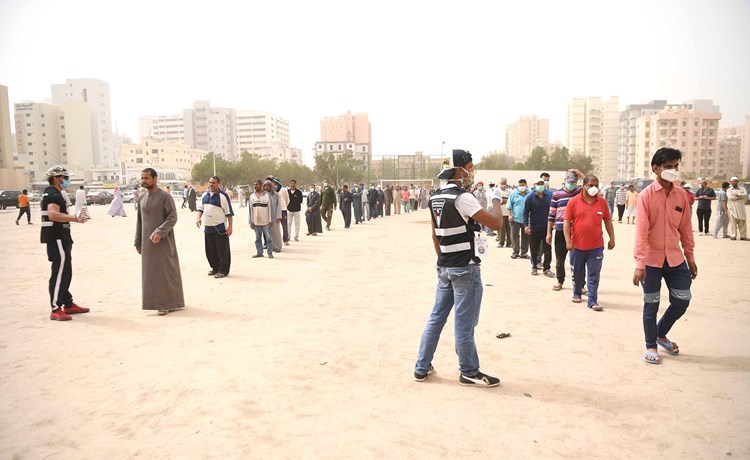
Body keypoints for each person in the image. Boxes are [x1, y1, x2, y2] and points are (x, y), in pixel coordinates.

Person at [414, 149, 503, 387]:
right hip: (465, 267)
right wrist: (496, 200)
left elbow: (435, 236)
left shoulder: (435, 197)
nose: (472, 172)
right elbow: (496, 223)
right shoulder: (463, 198)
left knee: (436, 318)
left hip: (445, 266)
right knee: (464, 324)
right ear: (459, 170)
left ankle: (422, 367)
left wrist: (445, 261)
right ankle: (469, 371)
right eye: (470, 167)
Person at [633, 148, 697, 364]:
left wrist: (690, 258)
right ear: (656, 168)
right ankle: (651, 345)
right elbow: (641, 232)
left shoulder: (681, 196)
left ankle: (661, 333)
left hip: (675, 259)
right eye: (668, 166)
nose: (673, 170)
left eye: (675, 166)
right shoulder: (645, 197)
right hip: (651, 261)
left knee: (682, 301)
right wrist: (640, 264)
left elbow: (686, 230)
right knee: (651, 304)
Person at [41, 166, 90, 321]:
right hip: (57, 238)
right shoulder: (53, 194)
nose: (67, 180)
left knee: (66, 271)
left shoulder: (57, 193)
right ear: (56, 178)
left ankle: (68, 303)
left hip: (62, 237)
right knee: (60, 272)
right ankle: (56, 308)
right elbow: (53, 214)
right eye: (65, 177)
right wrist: (74, 218)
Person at [134, 168, 185, 316]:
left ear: (155, 179)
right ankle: (153, 303)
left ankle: (166, 304)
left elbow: (172, 217)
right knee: (150, 274)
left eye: (146, 178)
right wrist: (138, 241)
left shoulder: (165, 197)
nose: (143, 181)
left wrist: (160, 231)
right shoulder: (141, 198)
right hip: (147, 243)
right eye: (142, 178)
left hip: (163, 241)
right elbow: (139, 221)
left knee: (165, 272)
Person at [564, 175, 615, 311]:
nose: (594, 188)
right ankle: (577, 293)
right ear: (584, 185)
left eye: (596, 185)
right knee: (577, 272)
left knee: (594, 275)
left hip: (596, 247)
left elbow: (608, 221)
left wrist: (612, 238)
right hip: (577, 246)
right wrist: (568, 240)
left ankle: (592, 300)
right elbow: (566, 222)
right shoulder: (573, 202)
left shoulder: (602, 202)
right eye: (591, 185)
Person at [546, 170, 583, 291]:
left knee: (578, 259)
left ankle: (580, 284)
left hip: (576, 230)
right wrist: (549, 232)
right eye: (569, 182)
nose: (571, 184)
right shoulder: (557, 194)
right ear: (565, 181)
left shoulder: (580, 192)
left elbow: (590, 183)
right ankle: (560, 281)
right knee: (559, 259)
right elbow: (551, 214)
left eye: (574, 182)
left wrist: (578, 172)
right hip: (561, 229)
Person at [196, 176, 233, 278]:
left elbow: (229, 213)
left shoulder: (223, 196)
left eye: (213, 183)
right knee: (210, 251)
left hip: (220, 229)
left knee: (222, 251)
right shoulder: (204, 195)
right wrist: (198, 218)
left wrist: (230, 227)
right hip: (208, 229)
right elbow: (200, 209)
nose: (211, 184)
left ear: (218, 184)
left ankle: (223, 271)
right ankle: (215, 268)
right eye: (210, 182)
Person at [524, 178, 554, 277]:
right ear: (534, 185)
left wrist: (553, 222)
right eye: (538, 184)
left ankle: (547, 268)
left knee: (547, 249)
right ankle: (534, 267)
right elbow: (525, 212)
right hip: (534, 227)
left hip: (547, 228)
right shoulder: (530, 197)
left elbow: (553, 210)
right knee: (534, 249)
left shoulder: (549, 195)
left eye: (542, 183)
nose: (540, 185)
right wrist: (526, 225)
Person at [248, 179, 275, 258]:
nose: (255, 186)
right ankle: (259, 253)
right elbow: (250, 210)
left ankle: (270, 253)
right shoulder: (252, 196)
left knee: (269, 238)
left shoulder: (267, 195)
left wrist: (271, 220)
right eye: (254, 185)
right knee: (257, 239)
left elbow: (271, 208)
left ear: (261, 185)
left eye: (256, 185)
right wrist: (251, 221)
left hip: (266, 222)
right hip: (256, 222)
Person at [507, 179, 530, 259]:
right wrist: (510, 215)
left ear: (526, 185)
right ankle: (515, 252)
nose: (521, 187)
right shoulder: (513, 193)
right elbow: (509, 206)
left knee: (526, 236)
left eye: (523, 185)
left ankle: (524, 252)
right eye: (520, 185)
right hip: (515, 219)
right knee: (514, 236)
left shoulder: (530, 193)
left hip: (526, 219)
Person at [264, 180, 283, 252]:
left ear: (271, 186)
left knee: (276, 232)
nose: (266, 187)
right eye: (265, 186)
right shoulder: (263, 195)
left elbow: (279, 206)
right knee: (268, 233)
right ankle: (271, 247)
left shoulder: (276, 195)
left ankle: (278, 247)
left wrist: (278, 216)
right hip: (266, 217)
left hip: (275, 217)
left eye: (268, 186)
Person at [726, 176, 747, 241]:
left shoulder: (742, 188)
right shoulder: (729, 190)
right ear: (731, 182)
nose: (734, 182)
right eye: (732, 181)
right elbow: (731, 197)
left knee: (742, 222)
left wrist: (738, 195)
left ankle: (743, 236)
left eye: (735, 181)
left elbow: (745, 194)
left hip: (741, 209)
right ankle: (733, 235)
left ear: (737, 182)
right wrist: (740, 196)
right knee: (733, 223)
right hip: (732, 209)